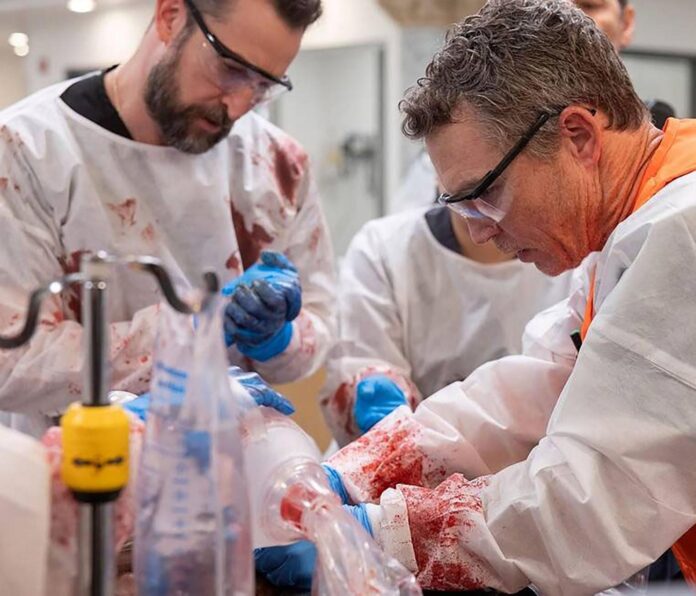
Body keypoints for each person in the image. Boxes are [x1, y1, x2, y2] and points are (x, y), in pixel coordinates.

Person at [257, 0, 696, 592]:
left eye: (485, 195)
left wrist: (385, 533)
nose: (481, 232)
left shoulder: (679, 229)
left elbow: (591, 496)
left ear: (578, 136)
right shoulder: (633, 224)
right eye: (461, 208)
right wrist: (363, 470)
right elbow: (538, 386)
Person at [0, 0, 335, 435]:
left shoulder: (277, 165)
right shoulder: (26, 151)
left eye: (263, 85)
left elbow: (320, 325)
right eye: (231, 68)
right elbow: (11, 359)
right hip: (75, 463)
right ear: (170, 16)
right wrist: (190, 331)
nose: (237, 106)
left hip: (231, 458)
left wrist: (278, 337)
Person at [320, 204, 574, 446]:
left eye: (494, 185)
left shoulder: (574, 256)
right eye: (462, 190)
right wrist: (377, 388)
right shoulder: (384, 249)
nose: (479, 207)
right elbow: (362, 363)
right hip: (411, 459)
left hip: (535, 465)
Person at [393, 0, 674, 214]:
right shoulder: (461, 154)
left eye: (589, 5)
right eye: (550, 4)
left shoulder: (669, 157)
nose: (566, 17)